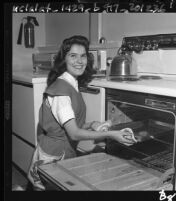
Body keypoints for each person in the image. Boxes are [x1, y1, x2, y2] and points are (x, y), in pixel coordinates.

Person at [27, 35, 136, 190]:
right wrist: (112, 135)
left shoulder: (69, 83)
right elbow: (74, 133)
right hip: (54, 155)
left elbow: (67, 125)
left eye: (83, 56)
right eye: (73, 56)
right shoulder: (62, 92)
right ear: (64, 59)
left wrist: (92, 124)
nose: (79, 61)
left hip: (60, 150)